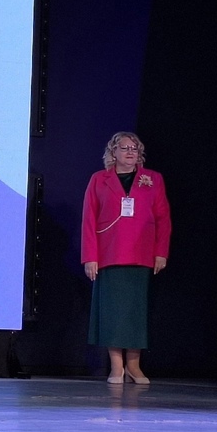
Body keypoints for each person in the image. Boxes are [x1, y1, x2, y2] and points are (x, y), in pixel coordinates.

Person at [81, 132, 171, 385]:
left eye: (134, 148)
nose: (130, 152)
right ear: (113, 152)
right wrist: (90, 257)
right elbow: (88, 219)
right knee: (112, 313)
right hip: (109, 255)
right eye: (124, 148)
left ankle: (134, 365)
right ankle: (116, 366)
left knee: (135, 313)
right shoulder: (99, 180)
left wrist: (161, 252)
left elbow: (163, 218)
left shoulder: (152, 179)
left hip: (141, 254)